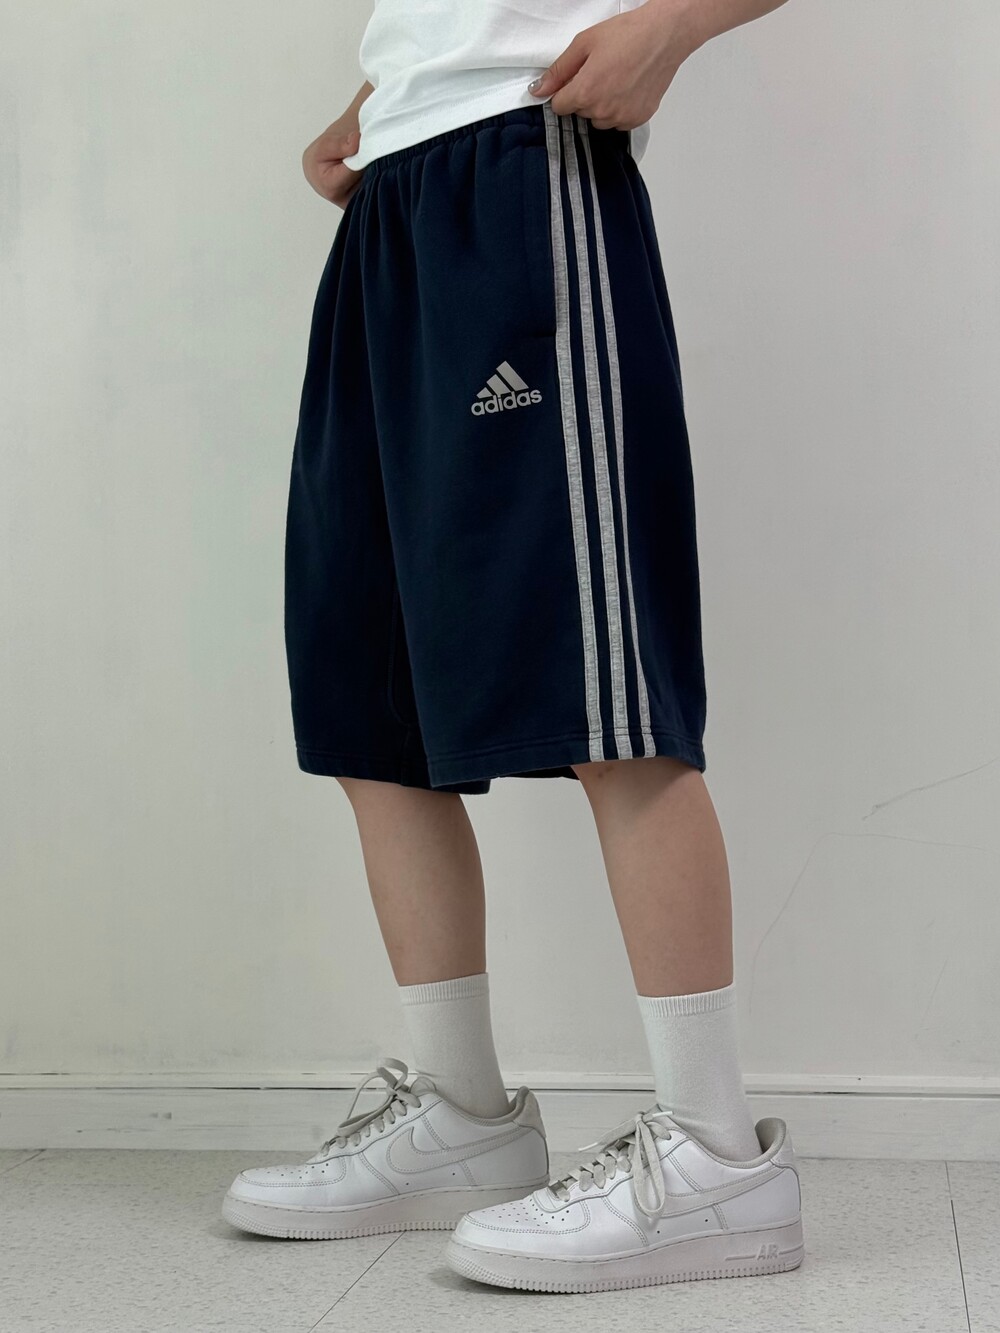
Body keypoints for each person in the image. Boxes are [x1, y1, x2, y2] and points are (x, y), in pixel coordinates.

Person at [223, 0, 805, 1292]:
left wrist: (675, 25)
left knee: (610, 695)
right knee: (366, 691)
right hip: (393, 196)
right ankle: (460, 1114)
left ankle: (716, 1153)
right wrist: (386, 91)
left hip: (525, 168)